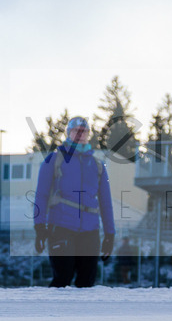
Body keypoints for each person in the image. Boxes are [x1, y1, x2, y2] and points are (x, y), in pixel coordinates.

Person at [33, 116, 116, 287]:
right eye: (76, 131)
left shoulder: (98, 165)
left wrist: (110, 234)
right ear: (68, 133)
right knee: (63, 277)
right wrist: (39, 226)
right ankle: (53, 306)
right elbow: (41, 195)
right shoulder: (53, 160)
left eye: (84, 131)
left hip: (90, 230)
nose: (80, 134)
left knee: (87, 281)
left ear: (88, 134)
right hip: (61, 227)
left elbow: (105, 202)